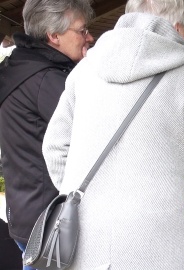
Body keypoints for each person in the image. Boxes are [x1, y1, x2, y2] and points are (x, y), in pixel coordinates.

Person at [42, 0, 184, 268]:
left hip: (85, 239)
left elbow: (54, 148)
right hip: (159, 242)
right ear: (175, 28)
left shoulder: (83, 72)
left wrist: (79, 194)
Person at [0, 0, 94, 268]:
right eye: (82, 30)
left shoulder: (21, 69)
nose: (89, 37)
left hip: (28, 215)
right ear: (54, 36)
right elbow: (95, 137)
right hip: (52, 225)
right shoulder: (47, 81)